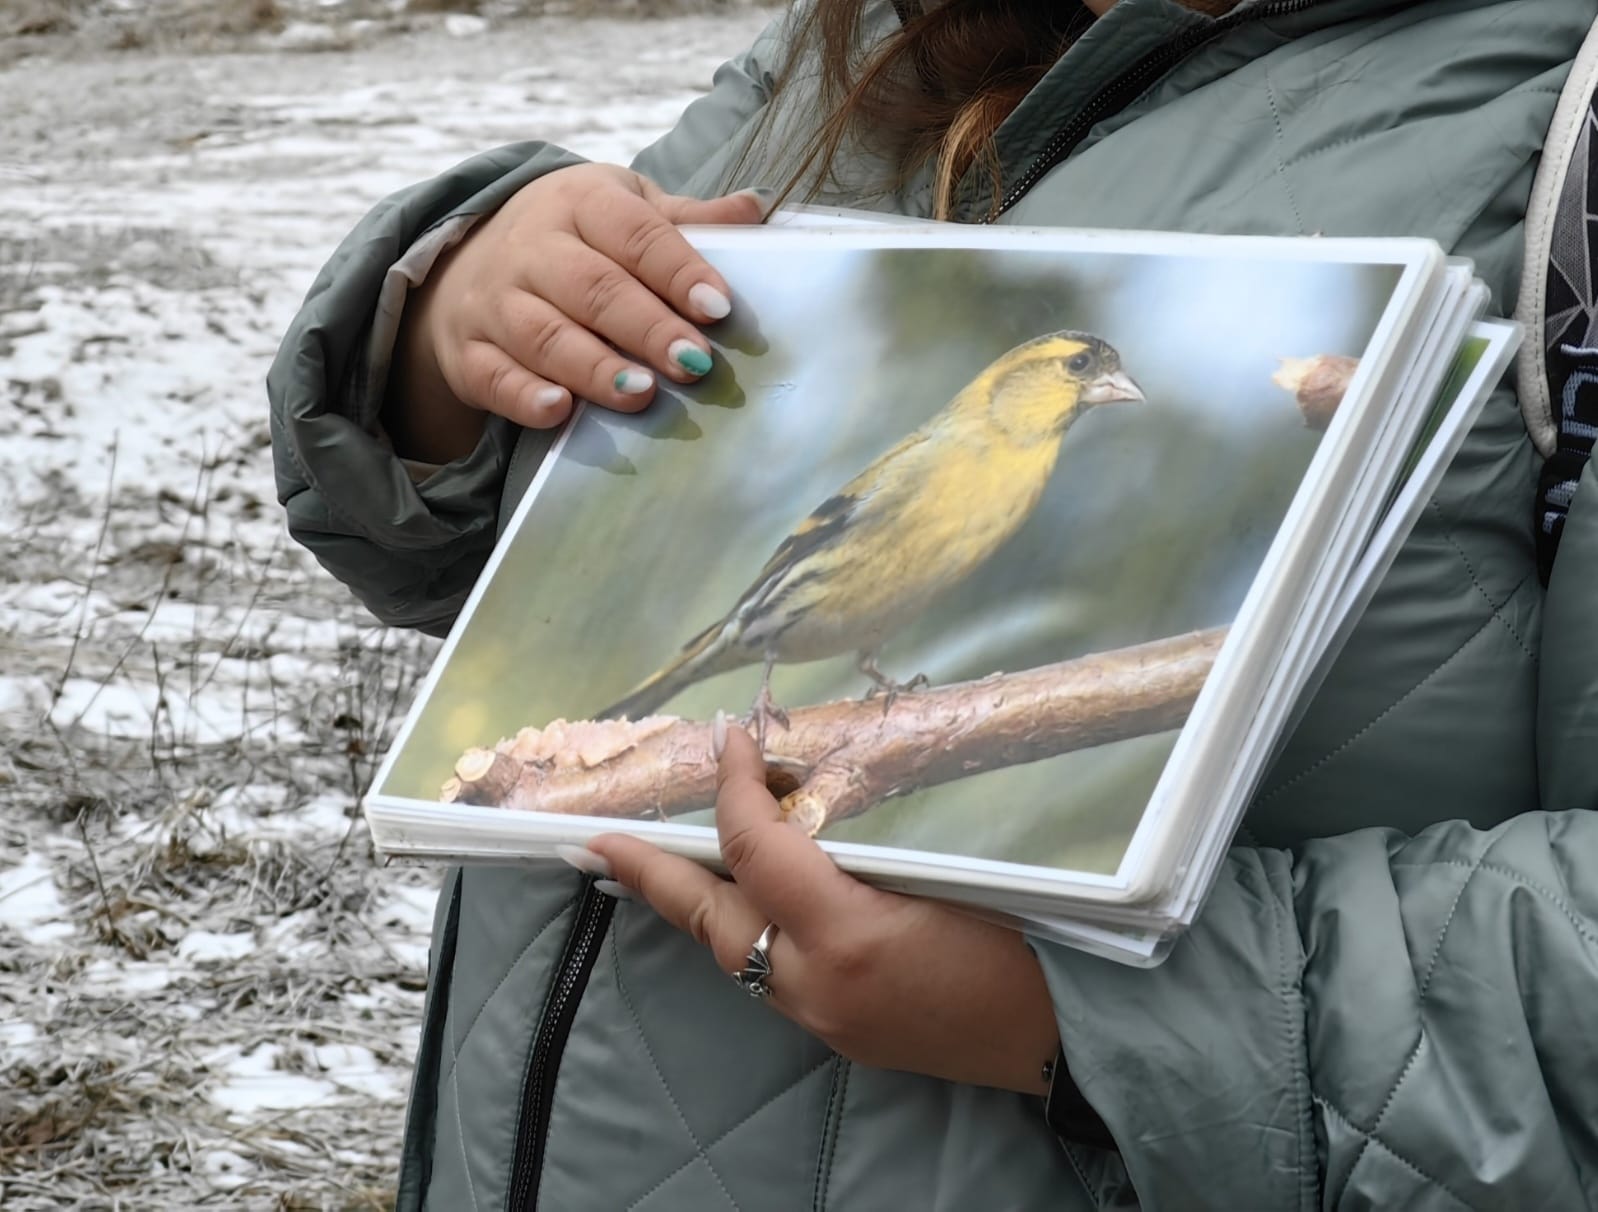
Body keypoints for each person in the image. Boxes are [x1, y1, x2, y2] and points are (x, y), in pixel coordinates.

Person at [269, 0, 1598, 1207]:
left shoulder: (1561, 122)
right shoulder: (846, 44)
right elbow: (484, 534)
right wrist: (448, 342)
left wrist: (1102, 1029)